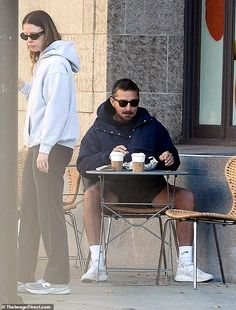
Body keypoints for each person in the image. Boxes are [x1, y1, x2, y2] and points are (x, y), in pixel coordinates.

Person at [77, 78, 214, 283]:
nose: (129, 108)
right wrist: (107, 155)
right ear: (113, 101)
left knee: (186, 197)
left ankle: (186, 266)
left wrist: (169, 157)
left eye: (134, 102)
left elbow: (173, 159)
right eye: (123, 103)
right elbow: (82, 164)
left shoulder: (151, 124)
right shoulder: (99, 128)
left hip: (151, 191)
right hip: (114, 193)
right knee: (90, 195)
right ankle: (97, 264)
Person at [17, 10, 80, 295]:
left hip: (51, 148)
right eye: (25, 36)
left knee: (48, 211)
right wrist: (22, 86)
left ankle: (57, 279)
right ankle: (22, 273)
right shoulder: (45, 61)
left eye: (34, 35)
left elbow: (55, 110)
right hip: (41, 146)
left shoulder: (56, 64)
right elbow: (43, 101)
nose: (29, 40)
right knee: (30, 210)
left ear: (48, 33)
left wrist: (44, 149)